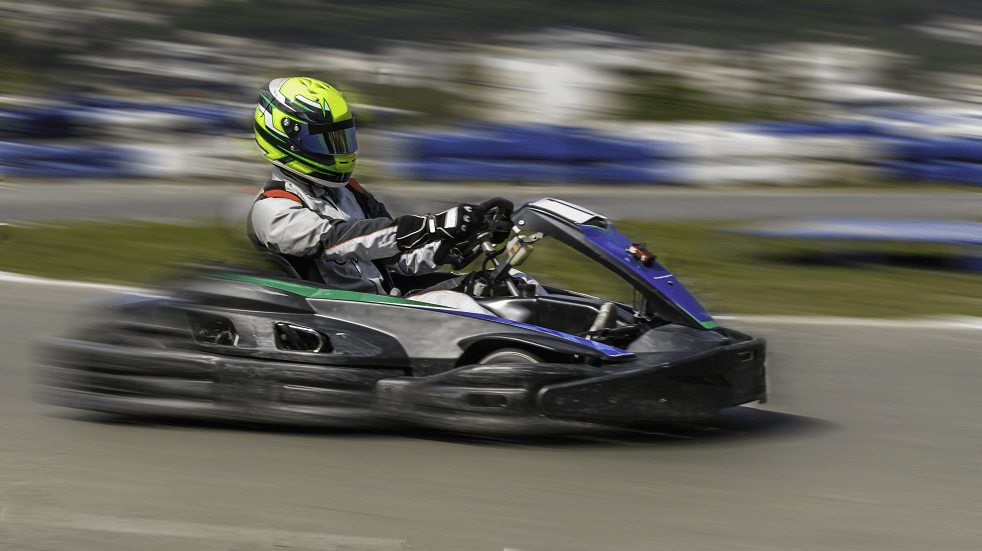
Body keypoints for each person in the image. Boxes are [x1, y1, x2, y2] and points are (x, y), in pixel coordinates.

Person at [247, 77, 493, 311]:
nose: (338, 149)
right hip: (341, 316)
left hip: (384, 304)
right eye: (323, 140)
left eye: (340, 138)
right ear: (287, 138)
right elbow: (339, 239)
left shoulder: (350, 194)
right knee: (460, 306)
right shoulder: (272, 208)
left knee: (498, 286)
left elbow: (398, 257)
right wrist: (430, 225)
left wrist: (459, 240)